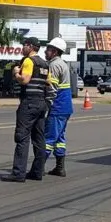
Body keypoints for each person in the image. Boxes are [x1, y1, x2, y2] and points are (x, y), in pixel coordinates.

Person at [3, 37, 50, 183]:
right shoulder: (44, 64)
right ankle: (37, 172)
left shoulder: (29, 61)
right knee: (39, 138)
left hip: (29, 103)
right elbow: (48, 82)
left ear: (30, 47)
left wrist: (16, 73)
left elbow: (25, 80)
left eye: (24, 45)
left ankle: (18, 173)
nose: (23, 47)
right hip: (41, 103)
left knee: (22, 137)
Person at [44, 37, 73, 177]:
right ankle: (60, 167)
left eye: (48, 49)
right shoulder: (63, 64)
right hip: (65, 107)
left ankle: (38, 167)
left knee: (48, 138)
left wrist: (46, 104)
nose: (45, 51)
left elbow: (52, 88)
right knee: (59, 138)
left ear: (54, 51)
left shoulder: (54, 65)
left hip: (57, 106)